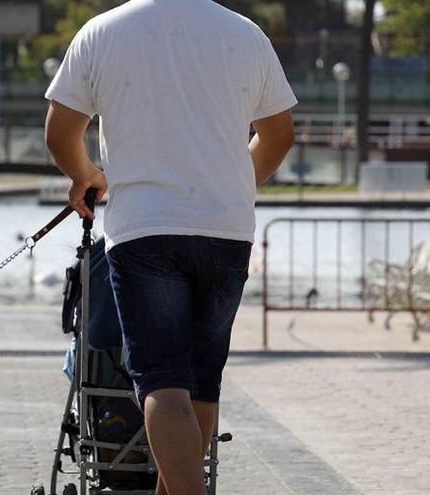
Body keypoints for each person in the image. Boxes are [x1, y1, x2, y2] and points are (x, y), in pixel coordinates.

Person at [44, 1, 296, 493]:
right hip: (227, 229)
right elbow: (279, 136)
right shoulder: (245, 33)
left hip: (145, 229)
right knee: (203, 383)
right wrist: (235, 185)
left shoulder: (102, 32)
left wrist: (86, 176)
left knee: (162, 381)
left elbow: (60, 132)